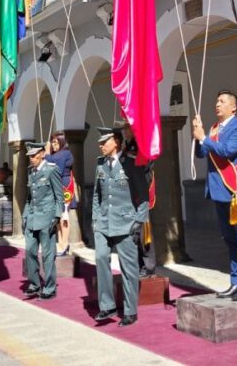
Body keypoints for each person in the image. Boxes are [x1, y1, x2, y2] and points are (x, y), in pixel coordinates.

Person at [193, 90, 237, 300]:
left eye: (222, 101)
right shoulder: (213, 129)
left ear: (233, 107)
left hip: (235, 192)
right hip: (219, 192)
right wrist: (197, 136)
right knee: (230, 240)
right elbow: (203, 154)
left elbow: (227, 151)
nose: (217, 104)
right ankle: (235, 282)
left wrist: (205, 139)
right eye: (217, 100)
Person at [92, 126, 149, 327]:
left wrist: (138, 222)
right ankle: (107, 305)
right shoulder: (100, 165)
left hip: (126, 223)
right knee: (100, 258)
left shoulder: (131, 164)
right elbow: (97, 195)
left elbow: (143, 196)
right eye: (100, 142)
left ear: (116, 141)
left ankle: (130, 310)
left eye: (104, 141)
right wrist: (95, 219)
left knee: (129, 268)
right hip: (104, 222)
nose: (100, 145)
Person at [23, 142, 64, 300]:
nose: (31, 159)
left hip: (47, 218)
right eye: (29, 156)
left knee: (48, 255)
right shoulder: (31, 172)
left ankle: (50, 288)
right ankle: (34, 284)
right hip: (32, 218)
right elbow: (29, 197)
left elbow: (59, 197)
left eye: (34, 155)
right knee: (30, 252)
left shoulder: (51, 170)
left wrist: (57, 216)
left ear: (41, 154)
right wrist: (25, 215)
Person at [117, 118, 157, 278]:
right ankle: (138, 264)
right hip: (129, 194)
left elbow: (144, 168)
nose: (125, 131)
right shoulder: (127, 147)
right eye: (124, 128)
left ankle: (148, 266)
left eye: (127, 128)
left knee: (143, 232)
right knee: (132, 232)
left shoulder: (141, 146)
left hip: (140, 193)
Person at [47, 132, 75, 257]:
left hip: (64, 186)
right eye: (52, 142)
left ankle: (65, 244)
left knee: (64, 216)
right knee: (58, 217)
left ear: (62, 142)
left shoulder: (65, 153)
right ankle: (61, 243)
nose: (53, 145)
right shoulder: (58, 154)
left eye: (56, 142)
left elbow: (55, 165)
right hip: (58, 185)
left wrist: (47, 153)